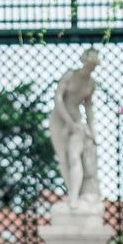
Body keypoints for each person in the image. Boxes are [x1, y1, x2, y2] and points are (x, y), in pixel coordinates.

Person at [49, 48, 101, 209]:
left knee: (74, 156)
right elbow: (58, 99)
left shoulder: (91, 83)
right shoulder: (70, 75)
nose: (91, 67)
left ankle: (75, 196)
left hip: (77, 122)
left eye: (94, 64)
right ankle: (72, 193)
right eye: (89, 63)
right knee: (64, 159)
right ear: (84, 61)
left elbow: (89, 108)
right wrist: (68, 122)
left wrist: (92, 131)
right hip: (60, 120)